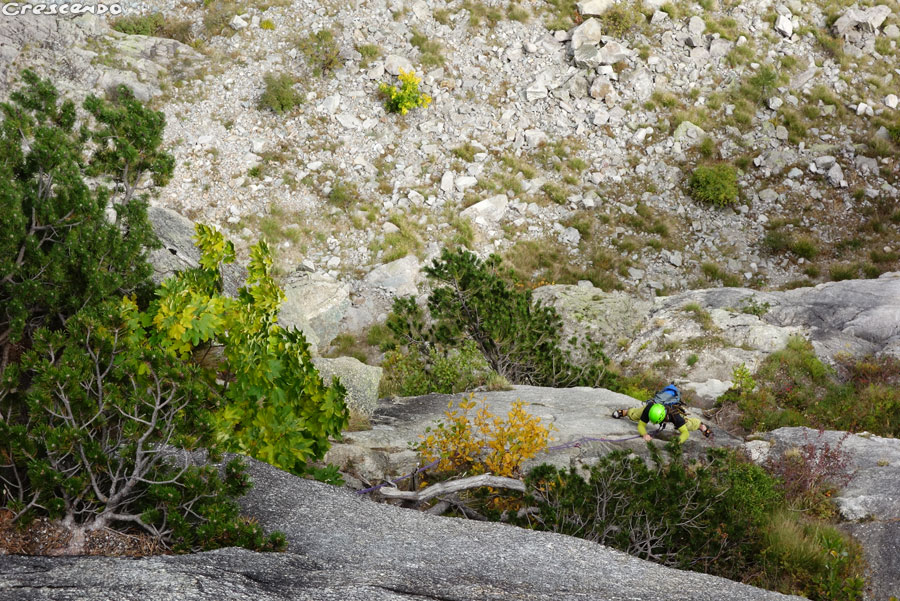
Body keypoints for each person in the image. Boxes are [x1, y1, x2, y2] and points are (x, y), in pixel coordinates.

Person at [611, 397, 712, 443]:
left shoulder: (674, 415)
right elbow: (641, 425)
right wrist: (644, 434)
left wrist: (678, 441)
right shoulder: (650, 408)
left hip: (671, 413)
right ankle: (624, 412)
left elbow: (685, 433)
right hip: (654, 409)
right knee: (635, 415)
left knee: (687, 425)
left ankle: (701, 426)